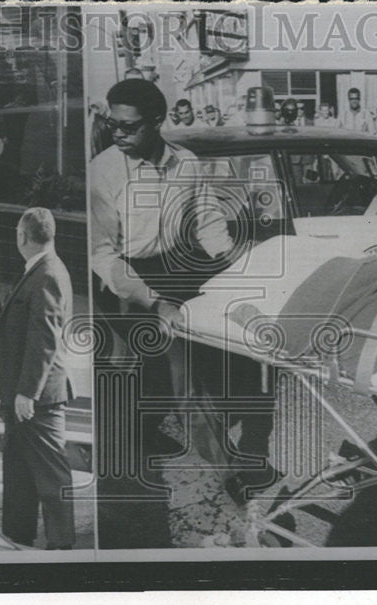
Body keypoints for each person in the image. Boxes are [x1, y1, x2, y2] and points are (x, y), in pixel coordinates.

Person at [90, 78, 275, 544]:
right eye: (111, 124)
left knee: (203, 370)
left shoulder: (187, 164)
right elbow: (102, 255)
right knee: (160, 379)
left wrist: (238, 266)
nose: (117, 133)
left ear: (157, 123)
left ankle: (212, 461)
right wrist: (153, 300)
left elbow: (209, 225)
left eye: (128, 126)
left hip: (174, 269)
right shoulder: (103, 172)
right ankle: (211, 476)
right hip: (127, 280)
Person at [0, 207, 76, 550]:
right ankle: (18, 537)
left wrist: (26, 392)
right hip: (21, 393)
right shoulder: (42, 269)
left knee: (50, 474)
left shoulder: (48, 273)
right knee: (18, 472)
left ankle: (62, 545)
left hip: (39, 396)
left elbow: (45, 338)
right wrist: (9, 392)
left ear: (22, 236)